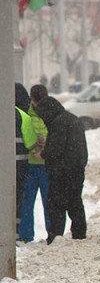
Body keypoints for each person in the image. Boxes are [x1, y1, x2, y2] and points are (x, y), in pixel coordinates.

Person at [34, 96, 88, 245]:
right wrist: (49, 143)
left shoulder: (58, 123)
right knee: (74, 202)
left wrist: (42, 154)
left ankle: (55, 236)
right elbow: (67, 143)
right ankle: (79, 234)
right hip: (76, 169)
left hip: (61, 172)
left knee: (56, 204)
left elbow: (57, 148)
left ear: (47, 112)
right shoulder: (71, 119)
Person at [18, 84, 51, 243]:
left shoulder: (27, 114)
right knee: (46, 201)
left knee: (28, 202)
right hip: (43, 165)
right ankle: (51, 234)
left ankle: (26, 235)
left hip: (34, 163)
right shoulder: (50, 115)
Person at [15, 84, 37, 239]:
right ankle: (16, 233)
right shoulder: (23, 116)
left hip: (5, 166)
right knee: (19, 199)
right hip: (21, 164)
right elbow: (31, 144)